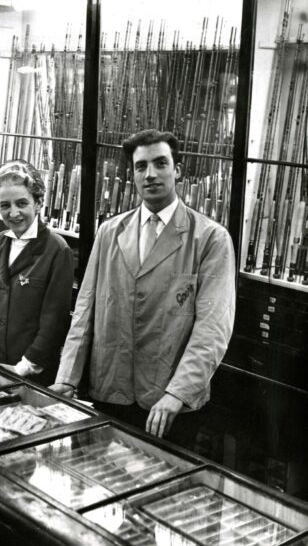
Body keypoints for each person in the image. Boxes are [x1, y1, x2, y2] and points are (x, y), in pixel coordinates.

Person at [51, 129, 236, 447]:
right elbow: (84, 310)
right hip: (110, 389)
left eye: (161, 163)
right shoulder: (110, 231)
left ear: (177, 171)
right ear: (132, 173)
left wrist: (177, 393)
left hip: (168, 405)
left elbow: (213, 329)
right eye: (141, 166)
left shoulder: (209, 239)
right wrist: (66, 378)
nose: (150, 174)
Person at [0, 160, 74, 386]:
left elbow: (54, 321)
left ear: (38, 203)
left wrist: (23, 368)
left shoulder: (57, 250)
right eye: (5, 205)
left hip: (33, 376)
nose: (13, 213)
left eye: (22, 203)